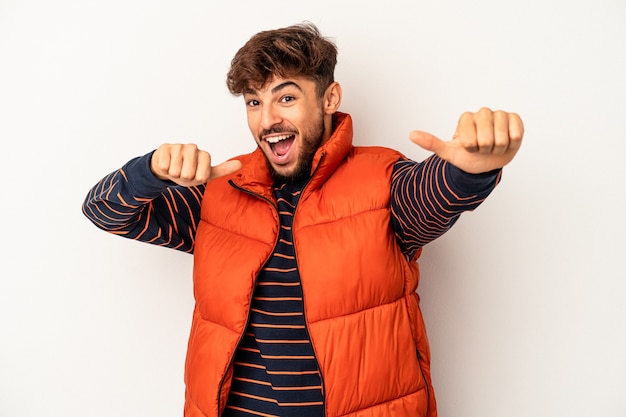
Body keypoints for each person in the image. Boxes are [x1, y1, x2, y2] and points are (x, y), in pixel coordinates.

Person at [82, 22, 523, 417]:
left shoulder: (383, 180)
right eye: (254, 102)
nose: (268, 119)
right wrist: (151, 170)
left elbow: (436, 192)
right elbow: (103, 211)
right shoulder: (220, 192)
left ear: (330, 98)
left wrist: (473, 167)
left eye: (286, 97)